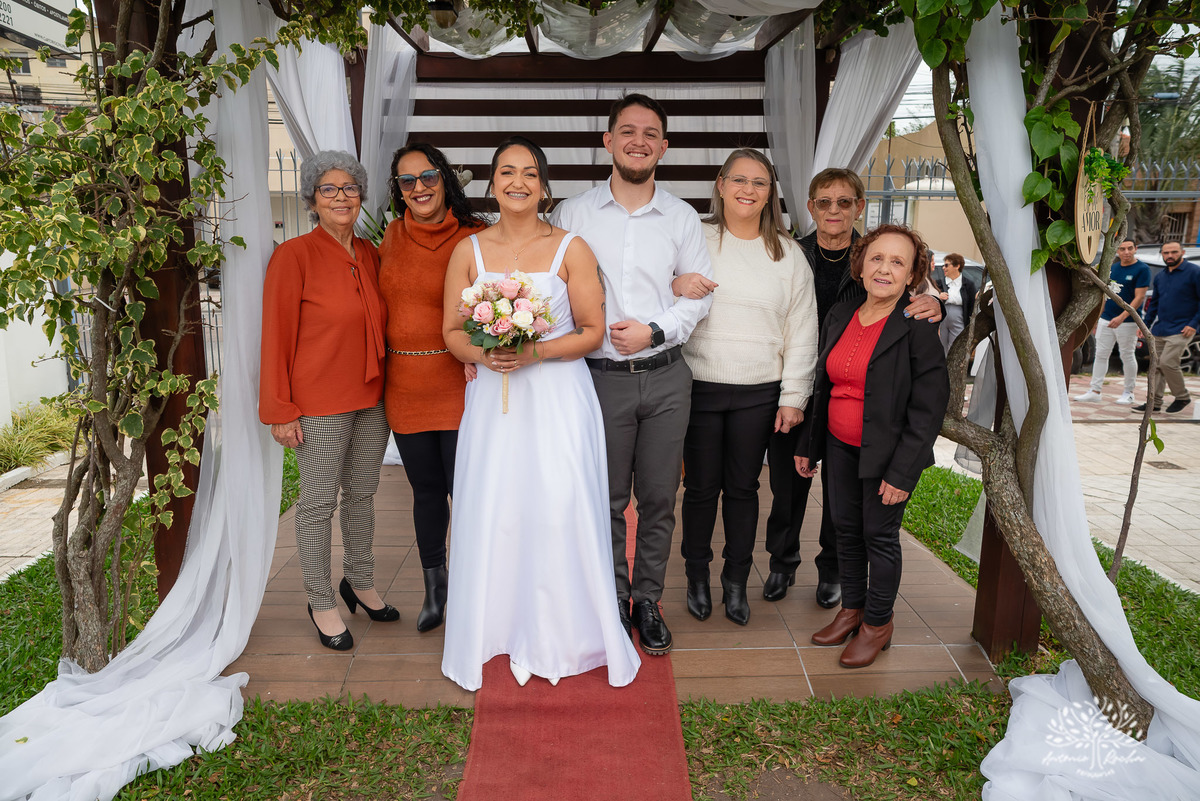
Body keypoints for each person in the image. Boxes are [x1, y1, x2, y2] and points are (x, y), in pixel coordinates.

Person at [439, 136, 641, 690]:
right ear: (492, 182)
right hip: (493, 401)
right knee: (497, 504)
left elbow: (593, 332)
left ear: (545, 187)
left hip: (556, 395)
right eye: (507, 171)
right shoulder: (469, 251)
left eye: (530, 173)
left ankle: (561, 630)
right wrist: (484, 352)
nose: (518, 182)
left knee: (557, 502)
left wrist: (535, 351)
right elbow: (450, 331)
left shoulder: (571, 248)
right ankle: (495, 627)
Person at [551, 94, 714, 656]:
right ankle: (613, 598)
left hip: (667, 375)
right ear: (608, 142)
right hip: (598, 378)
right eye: (627, 131)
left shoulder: (682, 216)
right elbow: (550, 288)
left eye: (650, 133)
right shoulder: (572, 214)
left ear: (663, 147)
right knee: (606, 497)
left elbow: (698, 297)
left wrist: (654, 329)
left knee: (660, 496)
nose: (638, 141)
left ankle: (647, 599)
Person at [765, 168, 942, 610]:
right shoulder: (789, 254)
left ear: (858, 207)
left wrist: (934, 301)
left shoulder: (878, 255)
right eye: (824, 202)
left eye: (844, 202)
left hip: (854, 382)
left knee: (839, 502)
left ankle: (833, 572)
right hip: (797, 382)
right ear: (811, 207)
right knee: (789, 483)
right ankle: (782, 563)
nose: (834, 210)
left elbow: (913, 294)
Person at [259, 150, 397, 651]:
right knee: (317, 502)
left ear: (361, 196)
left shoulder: (369, 252)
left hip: (371, 396)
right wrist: (279, 409)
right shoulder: (293, 255)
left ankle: (359, 581)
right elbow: (275, 335)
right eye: (329, 189)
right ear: (312, 199)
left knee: (361, 494)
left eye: (350, 188)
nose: (341, 197)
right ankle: (321, 600)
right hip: (317, 402)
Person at [795, 224, 949, 669]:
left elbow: (928, 407)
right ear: (860, 265)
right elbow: (823, 387)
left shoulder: (916, 324)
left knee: (878, 537)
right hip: (839, 445)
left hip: (888, 454)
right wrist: (811, 445)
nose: (884, 269)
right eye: (877, 258)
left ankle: (878, 624)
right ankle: (852, 610)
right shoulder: (841, 314)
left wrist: (903, 472)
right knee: (845, 529)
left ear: (911, 277)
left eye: (897, 262)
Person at [675, 149, 817, 626]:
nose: (748, 190)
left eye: (760, 182)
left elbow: (803, 329)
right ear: (720, 184)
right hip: (698, 385)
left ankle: (735, 582)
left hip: (760, 390)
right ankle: (697, 575)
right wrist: (676, 283)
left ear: (770, 192)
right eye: (739, 179)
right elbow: (662, 288)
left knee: (742, 488)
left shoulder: (789, 254)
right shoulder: (695, 239)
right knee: (698, 489)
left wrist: (794, 396)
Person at [378, 144, 486, 632]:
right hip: (405, 384)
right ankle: (435, 592)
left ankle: (474, 588)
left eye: (427, 176)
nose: (418, 187)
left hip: (463, 380)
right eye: (406, 181)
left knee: (468, 492)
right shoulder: (390, 237)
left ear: (445, 179)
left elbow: (501, 302)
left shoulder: (478, 236)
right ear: (397, 191)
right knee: (426, 491)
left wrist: (480, 351)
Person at [1075, 239, 1150, 405]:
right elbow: (1104, 296)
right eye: (1122, 249)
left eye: (1130, 248)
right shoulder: (1113, 268)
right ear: (1117, 251)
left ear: (1135, 249)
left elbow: (1139, 297)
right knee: (1101, 355)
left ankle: (1128, 393)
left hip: (1128, 321)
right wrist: (1096, 319)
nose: (1126, 252)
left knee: (1127, 355)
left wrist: (1122, 317)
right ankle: (1095, 391)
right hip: (1106, 319)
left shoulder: (1142, 269)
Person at [1134, 240, 1200, 414]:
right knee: (1155, 366)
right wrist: (1145, 325)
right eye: (1166, 253)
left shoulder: (1195, 272)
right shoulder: (1161, 276)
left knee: (1168, 362)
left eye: (1174, 252)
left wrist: (1193, 324)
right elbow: (1154, 304)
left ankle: (1182, 397)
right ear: (1162, 254)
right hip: (1160, 328)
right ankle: (1154, 403)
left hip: (1182, 328)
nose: (1170, 256)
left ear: (1183, 252)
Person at [936, 252, 978, 354]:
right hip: (942, 315)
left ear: (957, 266)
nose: (943, 268)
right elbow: (931, 298)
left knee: (955, 346)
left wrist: (969, 324)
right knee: (940, 346)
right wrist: (939, 296)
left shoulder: (968, 284)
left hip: (959, 316)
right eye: (943, 265)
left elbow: (972, 305)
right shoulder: (939, 283)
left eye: (946, 265)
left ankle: (950, 369)